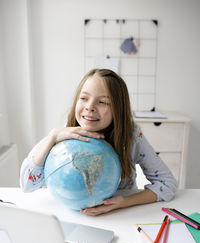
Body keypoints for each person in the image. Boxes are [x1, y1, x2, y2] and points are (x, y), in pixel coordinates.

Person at [20, 69, 177, 216]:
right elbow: (27, 185)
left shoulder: (132, 137)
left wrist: (124, 202)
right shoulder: (63, 135)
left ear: (118, 109)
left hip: (121, 217)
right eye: (84, 98)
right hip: (73, 216)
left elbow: (168, 184)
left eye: (103, 102)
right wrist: (52, 137)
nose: (90, 107)